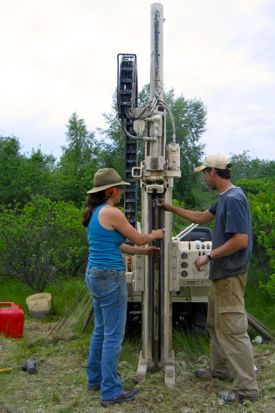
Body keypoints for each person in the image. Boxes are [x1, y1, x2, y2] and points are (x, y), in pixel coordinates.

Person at [159, 154, 259, 404]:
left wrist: (209, 256)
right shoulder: (223, 198)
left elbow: (240, 240)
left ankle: (247, 390)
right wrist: (170, 208)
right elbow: (201, 218)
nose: (204, 177)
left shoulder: (234, 199)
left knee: (233, 331)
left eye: (205, 173)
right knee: (215, 324)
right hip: (220, 275)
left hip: (229, 275)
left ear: (213, 172)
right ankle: (221, 370)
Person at [83, 167, 164, 408]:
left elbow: (119, 246)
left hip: (94, 274)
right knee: (113, 336)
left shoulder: (95, 213)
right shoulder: (112, 212)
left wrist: (143, 252)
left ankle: (95, 379)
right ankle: (110, 392)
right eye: (119, 188)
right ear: (111, 190)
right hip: (109, 277)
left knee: (100, 330)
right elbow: (138, 237)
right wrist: (158, 233)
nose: (121, 193)